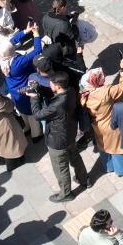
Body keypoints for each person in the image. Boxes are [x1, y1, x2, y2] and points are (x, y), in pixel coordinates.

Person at [33, 71, 86, 202]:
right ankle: (84, 179)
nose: (49, 85)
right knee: (75, 157)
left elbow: (37, 115)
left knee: (61, 168)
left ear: (57, 86)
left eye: (51, 84)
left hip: (57, 142)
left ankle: (66, 194)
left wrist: (34, 97)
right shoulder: (71, 90)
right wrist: (39, 88)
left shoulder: (57, 106)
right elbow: (54, 95)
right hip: (70, 134)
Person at [82, 67, 123, 176]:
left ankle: (109, 167)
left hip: (98, 126)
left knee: (104, 147)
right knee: (118, 148)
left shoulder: (85, 92)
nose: (104, 76)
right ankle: (122, 170)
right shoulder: (106, 92)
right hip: (112, 126)